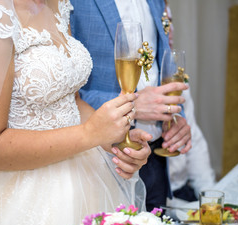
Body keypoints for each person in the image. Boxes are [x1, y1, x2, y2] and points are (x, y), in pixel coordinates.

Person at [0, 0, 152, 225]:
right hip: (18, 197)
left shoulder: (58, 3)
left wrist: (111, 136)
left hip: (86, 180)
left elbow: (70, 101)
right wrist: (89, 134)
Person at [70, 0, 192, 211]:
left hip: (156, 158)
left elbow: (154, 70)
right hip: (105, 161)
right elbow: (62, 93)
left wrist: (170, 115)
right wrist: (133, 106)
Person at [163, 3, 216, 202]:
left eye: (171, 22)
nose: (170, 31)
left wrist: (209, 196)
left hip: (183, 190)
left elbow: (194, 139)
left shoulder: (178, 77)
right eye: (162, 23)